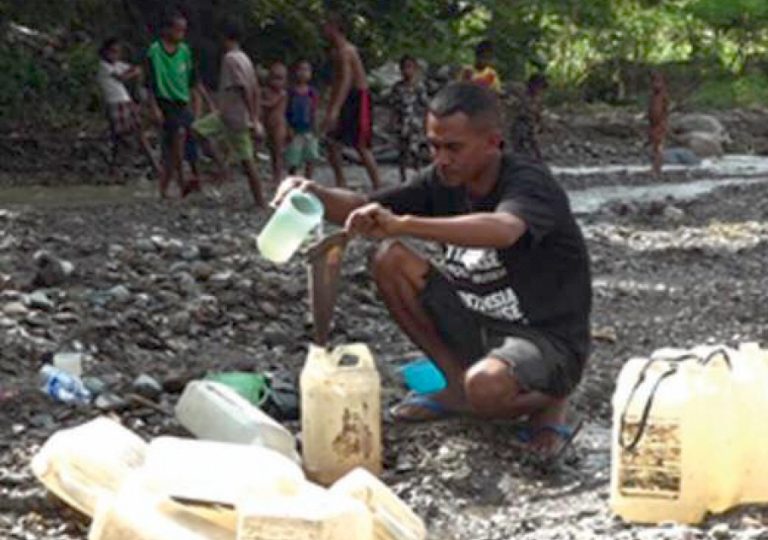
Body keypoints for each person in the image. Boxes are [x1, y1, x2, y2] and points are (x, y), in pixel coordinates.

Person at [273, 83, 591, 458]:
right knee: (389, 257)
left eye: (453, 148)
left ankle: (551, 401)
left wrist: (405, 224)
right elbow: (365, 207)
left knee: (486, 388)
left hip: (545, 340)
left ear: (492, 142)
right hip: (479, 323)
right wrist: (314, 193)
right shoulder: (441, 180)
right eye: (434, 146)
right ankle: (457, 387)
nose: (441, 158)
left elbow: (504, 229)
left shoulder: (529, 182)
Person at [192, 23, 265, 207]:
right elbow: (255, 88)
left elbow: (245, 88)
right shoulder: (245, 58)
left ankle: (259, 200)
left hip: (234, 115)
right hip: (227, 113)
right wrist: (254, 116)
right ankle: (222, 166)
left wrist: (253, 117)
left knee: (247, 160)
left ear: (225, 38)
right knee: (197, 130)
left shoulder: (230, 59)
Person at [146, 11, 208, 198]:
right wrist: (153, 107)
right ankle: (180, 182)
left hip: (182, 102)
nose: (181, 33)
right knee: (176, 140)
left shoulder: (185, 51)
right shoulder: (155, 51)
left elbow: (194, 81)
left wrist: (204, 103)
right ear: (167, 30)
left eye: (184, 30)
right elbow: (149, 83)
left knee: (191, 140)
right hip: (164, 102)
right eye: (178, 29)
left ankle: (195, 181)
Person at [320, 12, 381, 190]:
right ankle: (341, 181)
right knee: (332, 140)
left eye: (326, 26)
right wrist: (331, 105)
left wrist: (335, 109)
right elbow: (336, 81)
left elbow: (346, 80)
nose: (324, 30)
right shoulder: (336, 52)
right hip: (345, 97)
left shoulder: (347, 51)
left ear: (335, 28)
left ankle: (378, 185)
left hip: (357, 97)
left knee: (361, 145)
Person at [97, 38, 160, 176]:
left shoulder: (117, 65)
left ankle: (153, 166)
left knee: (136, 133)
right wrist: (134, 73)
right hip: (115, 103)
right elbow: (122, 78)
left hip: (125, 101)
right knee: (123, 136)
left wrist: (137, 79)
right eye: (113, 52)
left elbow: (136, 69)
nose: (116, 55)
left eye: (118, 52)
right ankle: (117, 167)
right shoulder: (104, 66)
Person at [390, 55, 429, 183]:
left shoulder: (419, 87)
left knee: (417, 152)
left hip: (415, 123)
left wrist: (426, 123)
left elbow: (425, 105)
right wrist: (393, 122)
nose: (407, 71)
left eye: (410, 67)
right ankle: (403, 178)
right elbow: (394, 106)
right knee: (402, 151)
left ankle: (419, 177)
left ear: (415, 69)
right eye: (404, 68)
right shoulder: (397, 87)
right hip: (402, 124)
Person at [285, 60, 321, 178]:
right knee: (293, 158)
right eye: (301, 69)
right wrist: (287, 127)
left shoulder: (312, 92)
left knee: (311, 156)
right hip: (294, 130)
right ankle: (292, 179)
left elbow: (314, 110)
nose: (303, 73)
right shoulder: (290, 92)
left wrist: (316, 128)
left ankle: (308, 180)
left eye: (307, 70)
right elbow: (285, 110)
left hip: (309, 129)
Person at [510, 74, 548, 161]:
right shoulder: (522, 94)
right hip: (521, 124)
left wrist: (540, 124)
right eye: (539, 87)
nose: (540, 90)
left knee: (535, 148)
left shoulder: (538, 98)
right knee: (520, 148)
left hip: (530, 125)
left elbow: (538, 113)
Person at [262, 61, 289, 184]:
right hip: (268, 125)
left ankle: (278, 177)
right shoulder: (265, 91)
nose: (276, 82)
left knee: (278, 153)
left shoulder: (283, 94)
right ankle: (274, 175)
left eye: (280, 79)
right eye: (273, 78)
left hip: (279, 125)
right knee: (272, 152)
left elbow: (271, 104)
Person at [649, 70, 669, 179]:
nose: (656, 85)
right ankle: (654, 167)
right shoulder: (653, 96)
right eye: (654, 82)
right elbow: (650, 110)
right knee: (654, 147)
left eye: (658, 82)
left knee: (659, 148)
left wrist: (664, 124)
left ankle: (657, 169)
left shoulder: (663, 95)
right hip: (653, 124)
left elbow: (665, 111)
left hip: (660, 124)